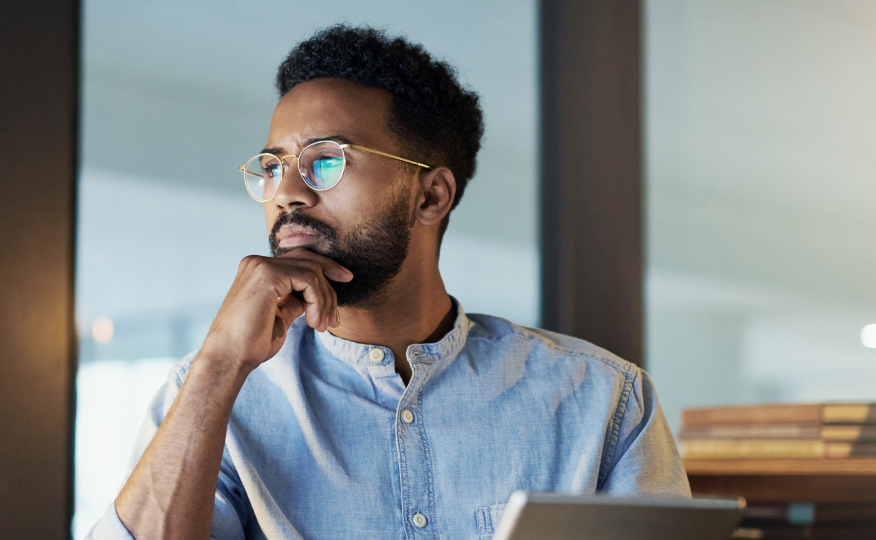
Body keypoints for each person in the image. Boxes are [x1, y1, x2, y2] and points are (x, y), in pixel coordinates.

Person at [87, 24, 689, 540]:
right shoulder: (214, 398)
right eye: (273, 167)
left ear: (430, 195)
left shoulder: (603, 404)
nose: (288, 193)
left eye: (326, 160)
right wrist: (218, 364)